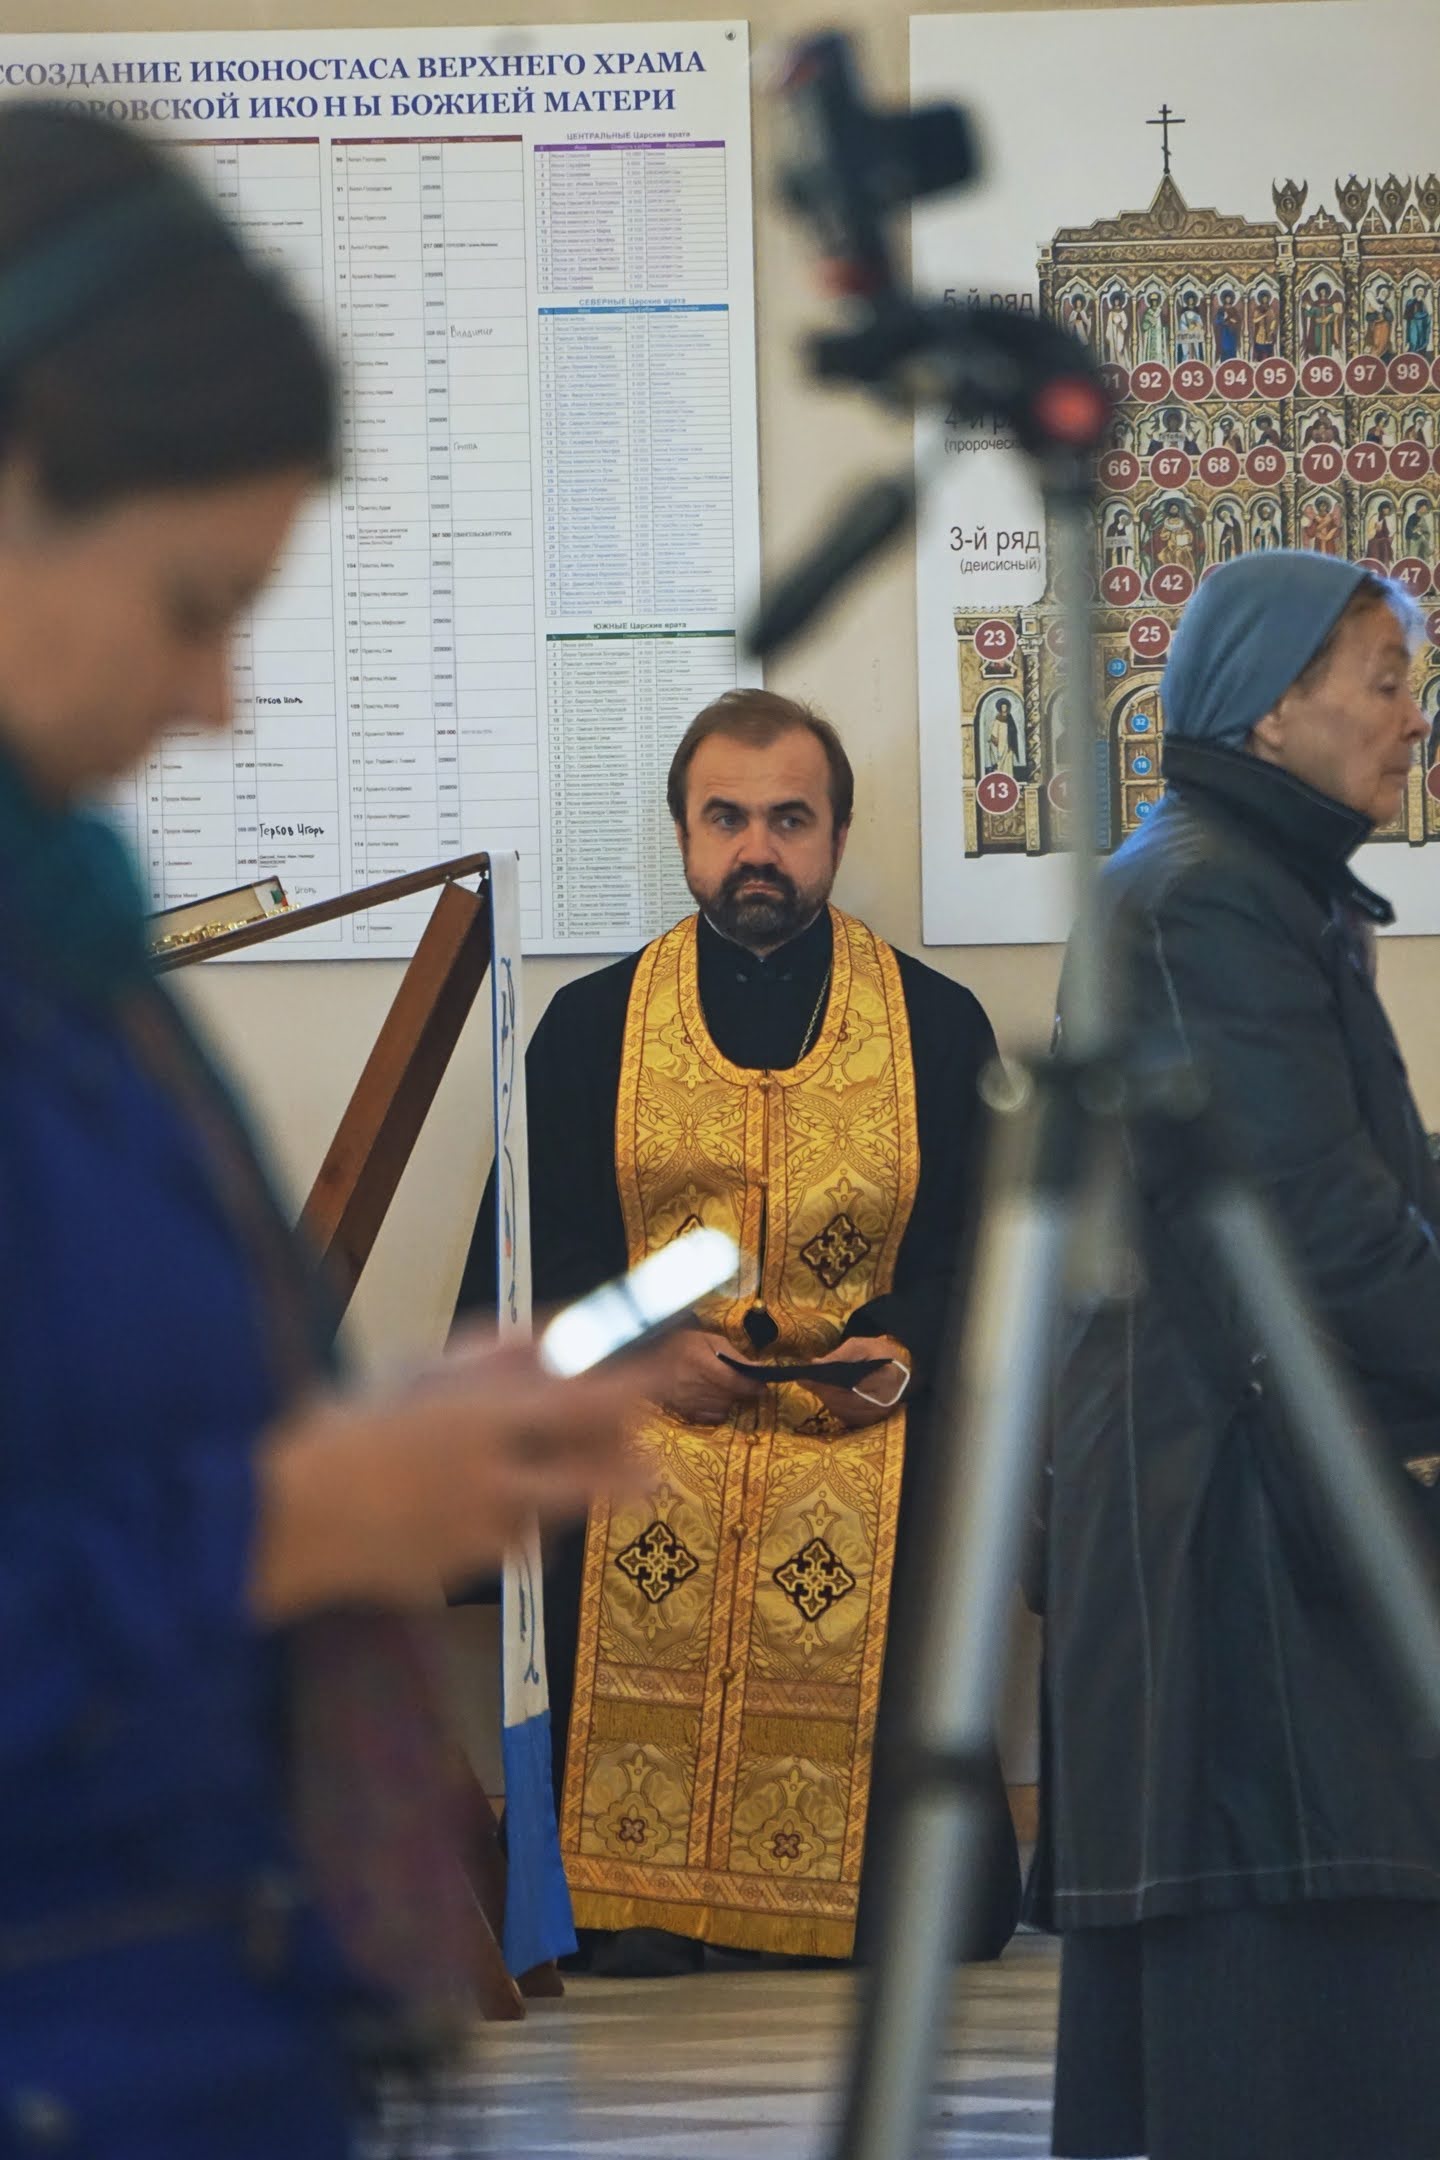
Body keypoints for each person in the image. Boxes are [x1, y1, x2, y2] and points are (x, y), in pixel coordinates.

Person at [0, 104, 660, 2157]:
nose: (216, 702)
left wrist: (380, 1453)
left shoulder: (70, 938)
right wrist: (302, 1522)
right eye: (196, 602)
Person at [456, 690, 1021, 1979]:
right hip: (650, 1419)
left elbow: (982, 1256)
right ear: (682, 833)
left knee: (931, 1492)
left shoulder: (940, 1026)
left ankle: (882, 1906)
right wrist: (643, 1353)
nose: (756, 850)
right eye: (727, 819)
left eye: (788, 820)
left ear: (835, 835)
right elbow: (526, 1273)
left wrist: (904, 1349)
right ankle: (631, 1907)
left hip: (861, 1426)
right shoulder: (588, 1027)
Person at [1034, 551, 1440, 2160]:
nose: (1415, 718)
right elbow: (1316, 1235)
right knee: (1283, 2033)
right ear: (1274, 708)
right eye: (1386, 681)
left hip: (1255, 1491)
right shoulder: (1208, 893)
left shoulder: (1243, 877)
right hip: (1242, 1522)